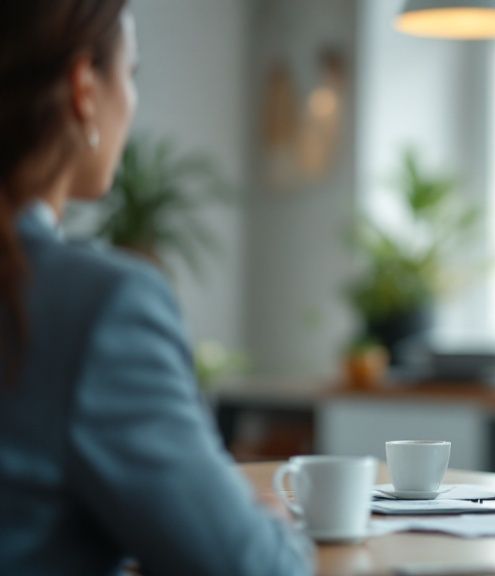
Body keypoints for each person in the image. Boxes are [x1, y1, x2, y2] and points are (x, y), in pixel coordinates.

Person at [0, 2, 313, 573]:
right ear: (83, 88)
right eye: (131, 75)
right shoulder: (97, 307)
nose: (132, 101)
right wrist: (269, 521)